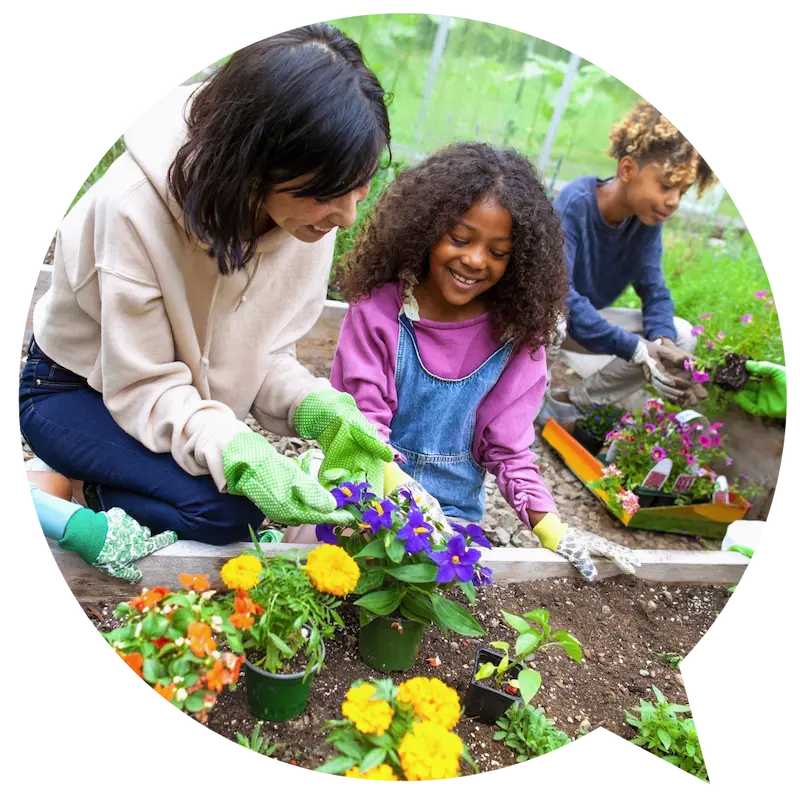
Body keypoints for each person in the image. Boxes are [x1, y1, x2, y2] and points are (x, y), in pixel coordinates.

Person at [17, 24, 396, 581]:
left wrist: (315, 408)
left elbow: (259, 354)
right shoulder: (133, 208)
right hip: (78, 391)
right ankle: (69, 487)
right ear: (253, 162)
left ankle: (100, 477)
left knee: (235, 511)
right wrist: (240, 451)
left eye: (358, 188)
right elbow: (146, 385)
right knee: (228, 516)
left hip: (175, 398)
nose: (346, 217)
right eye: (327, 194)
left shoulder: (309, 216)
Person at [326, 142, 641, 581]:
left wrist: (553, 530)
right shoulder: (380, 314)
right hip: (366, 498)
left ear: (519, 259)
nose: (474, 260)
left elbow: (509, 450)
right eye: (460, 238)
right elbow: (361, 432)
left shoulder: (516, 338)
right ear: (425, 229)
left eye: (498, 251)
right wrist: (405, 501)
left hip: (453, 523)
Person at [538, 99, 721, 428]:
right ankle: (527, 399)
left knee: (679, 335)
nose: (674, 201)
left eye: (683, 190)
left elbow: (655, 291)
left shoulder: (646, 223)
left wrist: (661, 344)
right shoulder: (576, 203)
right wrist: (637, 350)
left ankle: (572, 404)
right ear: (627, 170)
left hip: (581, 327)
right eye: (666, 186)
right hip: (539, 325)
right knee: (553, 316)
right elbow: (560, 295)